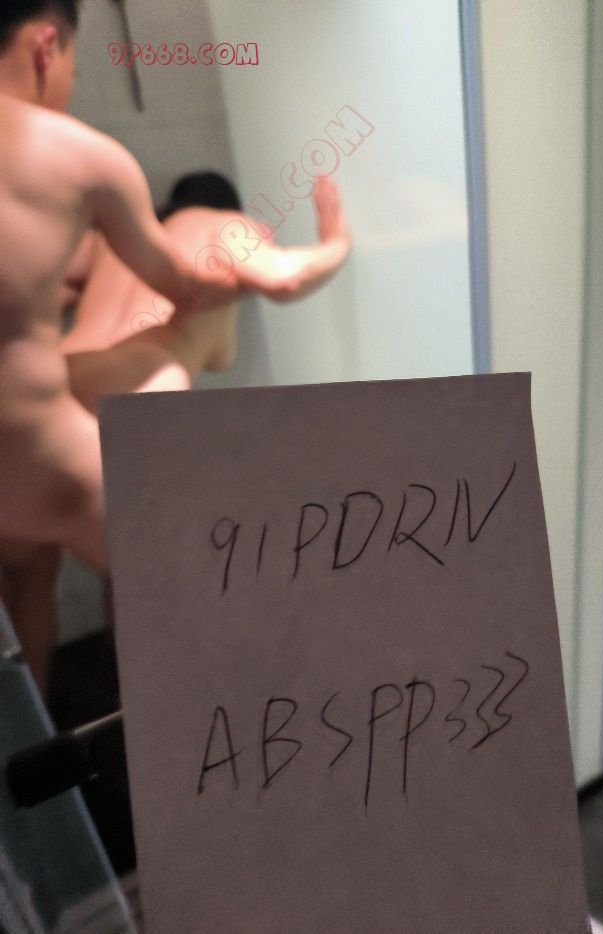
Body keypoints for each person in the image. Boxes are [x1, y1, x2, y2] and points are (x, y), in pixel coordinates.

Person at [0, 0, 352, 692]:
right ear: (47, 45)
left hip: (35, 429)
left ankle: (36, 741)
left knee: (25, 591)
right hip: (95, 436)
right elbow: (279, 278)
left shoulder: (105, 250)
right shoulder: (192, 213)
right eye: (74, 62)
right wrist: (336, 241)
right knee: (194, 607)